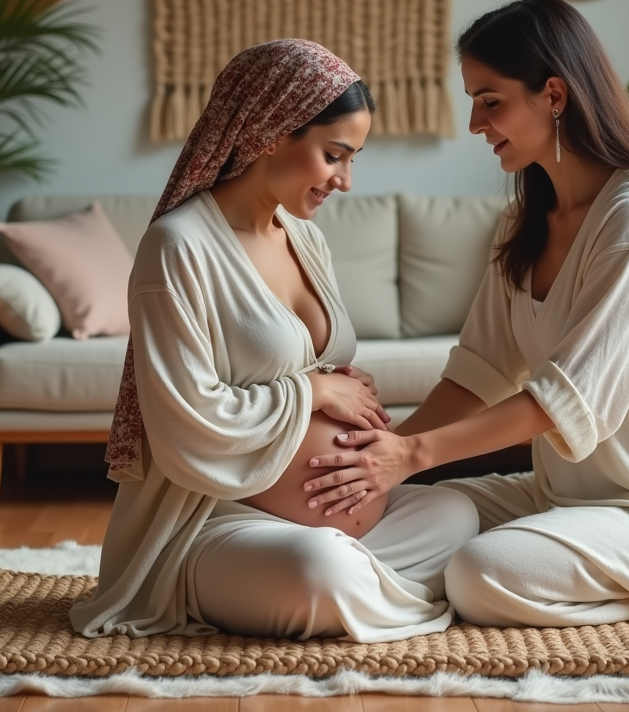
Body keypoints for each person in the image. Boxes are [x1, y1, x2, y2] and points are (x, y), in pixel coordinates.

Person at [302, 0, 629, 628]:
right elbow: (477, 373)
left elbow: (563, 402)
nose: (475, 123)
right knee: (406, 512)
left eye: (490, 100)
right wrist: (381, 454)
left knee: (478, 570)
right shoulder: (525, 226)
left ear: (554, 94)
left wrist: (410, 456)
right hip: (558, 497)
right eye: (473, 100)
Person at [69, 39, 478, 643]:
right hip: (218, 521)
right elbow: (183, 424)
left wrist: (341, 385)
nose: (344, 181)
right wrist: (311, 393)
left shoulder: (304, 237)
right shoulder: (179, 248)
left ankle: (354, 586)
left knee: (456, 513)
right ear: (269, 132)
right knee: (318, 570)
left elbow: (323, 369)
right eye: (334, 155)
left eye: (352, 159)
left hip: (338, 520)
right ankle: (356, 586)